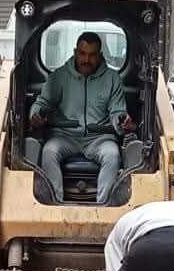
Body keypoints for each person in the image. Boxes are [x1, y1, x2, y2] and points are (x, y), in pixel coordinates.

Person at [29, 31, 134, 205]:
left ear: (100, 55)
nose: (87, 59)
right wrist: (36, 114)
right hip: (65, 136)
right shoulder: (59, 77)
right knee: (49, 151)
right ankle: (54, 207)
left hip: (99, 138)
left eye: (92, 55)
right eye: (82, 54)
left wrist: (122, 121)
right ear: (75, 52)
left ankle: (103, 209)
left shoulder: (112, 78)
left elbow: (117, 111)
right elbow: (43, 102)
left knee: (112, 154)